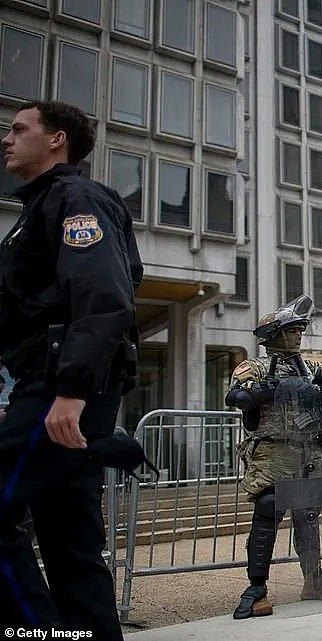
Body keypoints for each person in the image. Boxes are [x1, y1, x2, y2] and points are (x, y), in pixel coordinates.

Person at [0, 101, 142, 639]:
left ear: (57, 139)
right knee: (70, 540)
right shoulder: (39, 208)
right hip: (51, 389)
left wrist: (73, 391)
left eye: (18, 129)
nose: (7, 139)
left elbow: (104, 297)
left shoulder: (74, 198)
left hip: (57, 392)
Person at [225, 295, 322, 619]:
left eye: (300, 329)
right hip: (273, 452)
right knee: (268, 511)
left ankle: (314, 578)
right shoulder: (252, 365)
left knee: (307, 517)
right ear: (274, 334)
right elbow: (236, 396)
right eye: (292, 329)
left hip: (309, 453)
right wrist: (271, 388)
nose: (299, 334)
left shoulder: (308, 369)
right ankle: (257, 587)